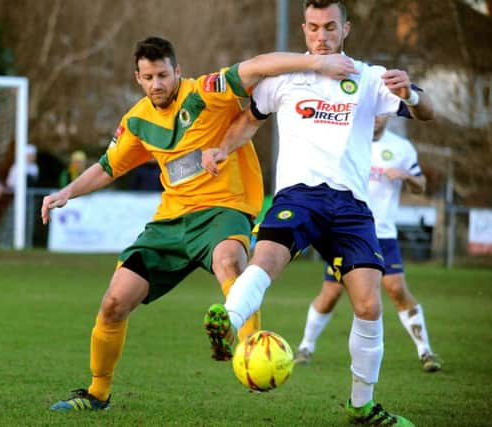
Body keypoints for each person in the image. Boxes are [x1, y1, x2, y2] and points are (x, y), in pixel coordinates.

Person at [41, 36, 356, 412]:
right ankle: (97, 394)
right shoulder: (138, 120)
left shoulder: (207, 92)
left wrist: (315, 64)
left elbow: (257, 64)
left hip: (224, 210)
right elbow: (108, 167)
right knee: (113, 303)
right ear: (138, 78)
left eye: (162, 74)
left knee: (229, 263)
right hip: (170, 223)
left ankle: (252, 351)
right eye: (148, 77)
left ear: (177, 71)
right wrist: (67, 192)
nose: (157, 84)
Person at [201, 1, 434, 426]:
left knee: (368, 305)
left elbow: (426, 113)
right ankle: (229, 322)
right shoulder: (285, 79)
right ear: (304, 30)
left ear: (345, 28)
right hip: (300, 196)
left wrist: (412, 94)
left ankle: (361, 407)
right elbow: (248, 121)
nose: (321, 36)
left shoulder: (368, 77)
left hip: (350, 205)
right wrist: (222, 147)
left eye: (330, 27)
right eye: (313, 27)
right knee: (266, 259)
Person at [294, 115, 442, 373]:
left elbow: (421, 185)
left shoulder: (401, 147)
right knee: (330, 294)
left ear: (387, 113)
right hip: (348, 233)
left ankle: (425, 351)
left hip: (383, 234)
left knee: (396, 289)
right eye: (370, 112)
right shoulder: (346, 140)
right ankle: (305, 346)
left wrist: (407, 176)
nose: (375, 118)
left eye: (381, 112)